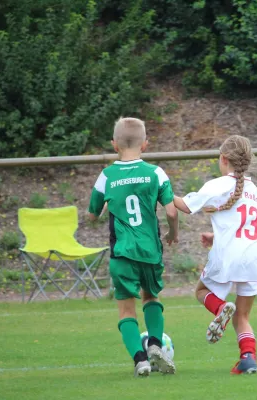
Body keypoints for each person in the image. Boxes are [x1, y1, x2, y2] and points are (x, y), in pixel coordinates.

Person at [173, 135, 257, 375]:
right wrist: (216, 236)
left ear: (223, 158)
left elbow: (185, 206)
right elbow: (245, 226)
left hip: (230, 255)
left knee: (200, 292)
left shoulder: (219, 184)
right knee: (242, 314)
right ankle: (248, 358)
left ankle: (219, 309)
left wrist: (159, 189)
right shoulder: (252, 188)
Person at [88, 117, 179, 377]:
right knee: (151, 298)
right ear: (145, 144)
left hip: (122, 253)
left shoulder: (106, 175)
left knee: (126, 308)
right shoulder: (155, 172)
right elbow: (172, 212)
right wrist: (173, 233)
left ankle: (140, 360)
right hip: (150, 251)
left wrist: (105, 207)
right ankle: (154, 345)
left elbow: (92, 215)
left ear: (114, 144)